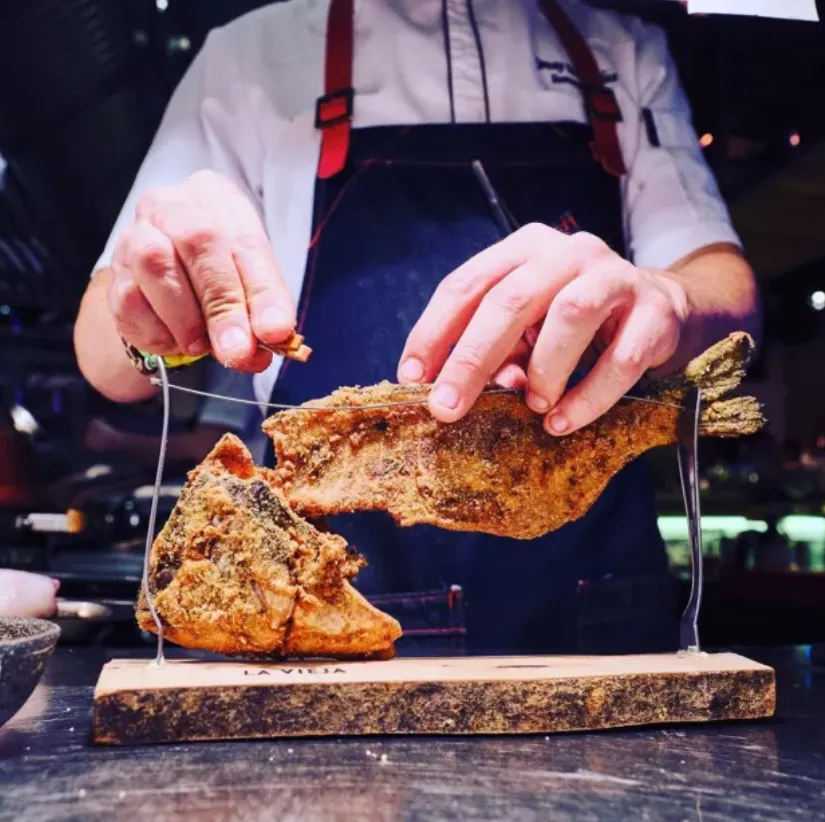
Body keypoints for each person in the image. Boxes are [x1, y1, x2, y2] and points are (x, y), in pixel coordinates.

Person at [73, 0, 759, 653]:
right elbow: (105, 360)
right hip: (331, 602)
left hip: (600, 608)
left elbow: (728, 292)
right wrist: (152, 301)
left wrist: (668, 297)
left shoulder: (623, 49)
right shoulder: (250, 55)